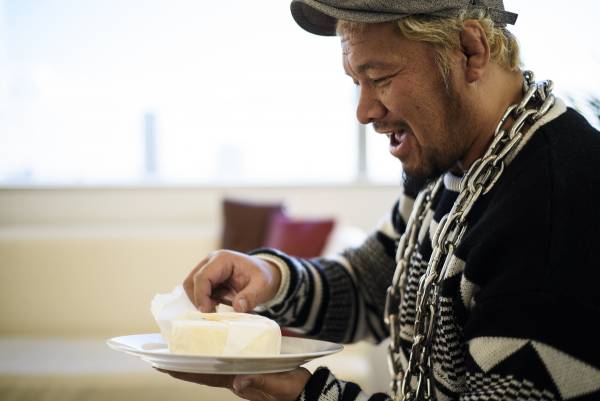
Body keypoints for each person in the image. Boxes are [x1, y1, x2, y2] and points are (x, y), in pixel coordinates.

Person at [157, 1, 600, 400]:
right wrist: (272, 278)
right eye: (356, 82)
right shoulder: (450, 155)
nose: (363, 111)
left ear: (470, 51)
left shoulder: (556, 210)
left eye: (380, 78)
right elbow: (374, 285)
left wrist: (311, 396)